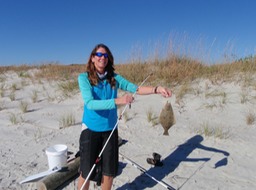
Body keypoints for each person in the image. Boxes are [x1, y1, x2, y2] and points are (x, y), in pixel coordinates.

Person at [77, 43, 172, 190]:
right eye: (99, 55)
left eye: (106, 55)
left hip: (110, 129)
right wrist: (118, 101)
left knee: (109, 173)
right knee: (87, 172)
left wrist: (157, 89)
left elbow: (136, 88)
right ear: (93, 58)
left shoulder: (114, 78)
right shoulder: (84, 78)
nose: (103, 58)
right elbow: (90, 103)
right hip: (91, 129)